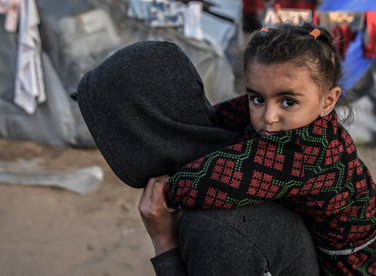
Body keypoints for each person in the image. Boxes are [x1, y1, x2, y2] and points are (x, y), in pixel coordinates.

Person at [159, 23, 376, 276]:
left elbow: (212, 183)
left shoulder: (304, 152)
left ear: (328, 101)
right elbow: (223, 115)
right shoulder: (293, 115)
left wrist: (167, 189)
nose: (269, 116)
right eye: (258, 99)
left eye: (288, 102)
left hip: (358, 260)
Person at [73, 40, 320, 276]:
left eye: (106, 131)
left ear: (140, 130)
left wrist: (164, 244)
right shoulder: (241, 160)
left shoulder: (215, 223)